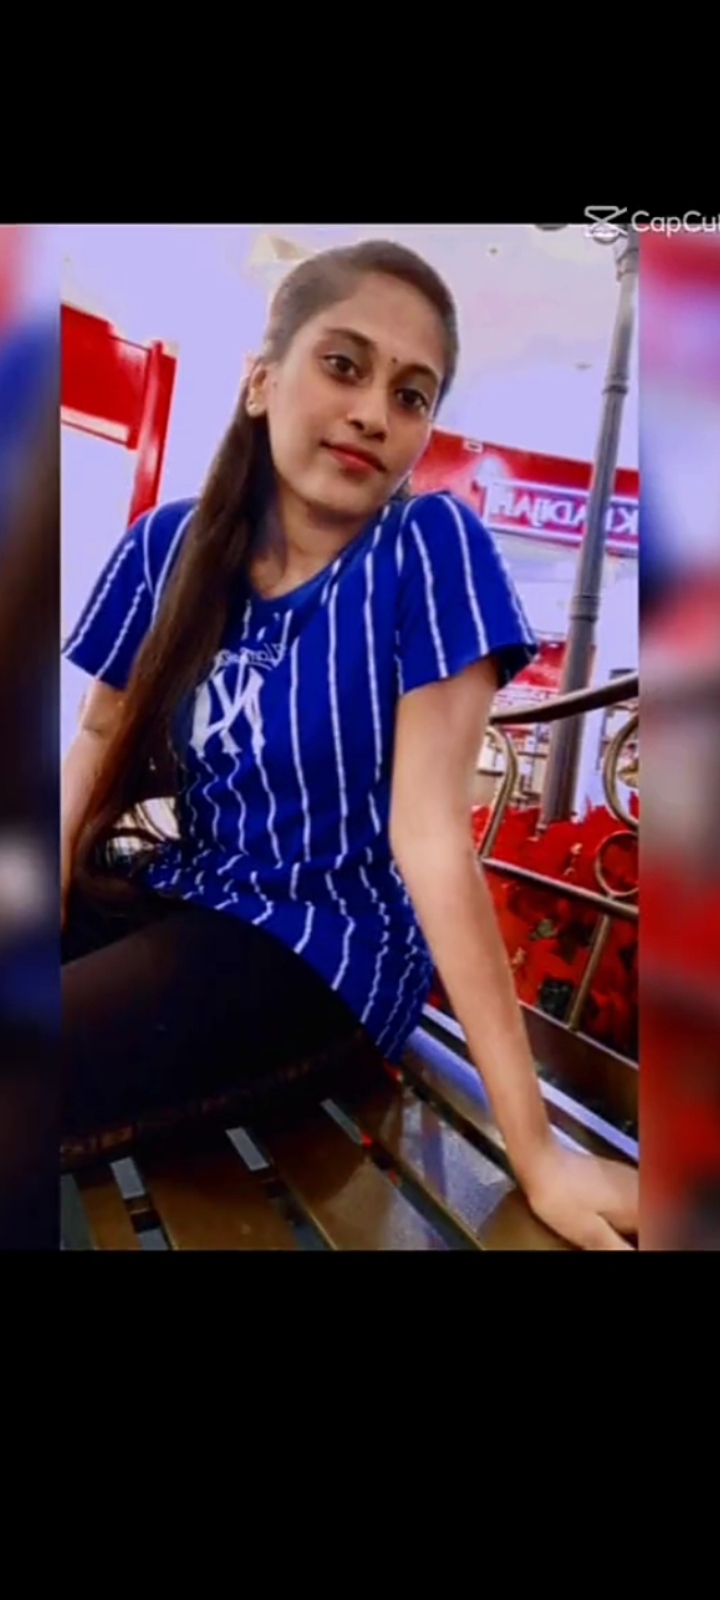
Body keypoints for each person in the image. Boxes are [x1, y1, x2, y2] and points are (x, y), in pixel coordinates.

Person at [62, 239, 638, 1250]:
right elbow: (99, 734)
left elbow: (431, 835)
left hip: (323, 953)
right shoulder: (169, 545)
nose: (376, 411)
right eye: (344, 365)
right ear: (260, 381)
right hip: (185, 894)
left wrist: (537, 1150)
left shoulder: (427, 549)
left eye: (412, 395)